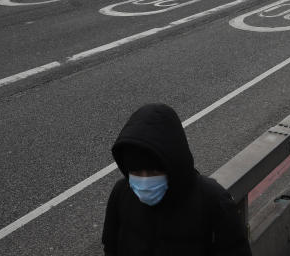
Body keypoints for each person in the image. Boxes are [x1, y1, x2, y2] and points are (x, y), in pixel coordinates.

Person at [102, 103, 252, 256]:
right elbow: (111, 247)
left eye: (154, 171)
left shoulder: (213, 201)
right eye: (136, 171)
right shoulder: (121, 194)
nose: (145, 181)